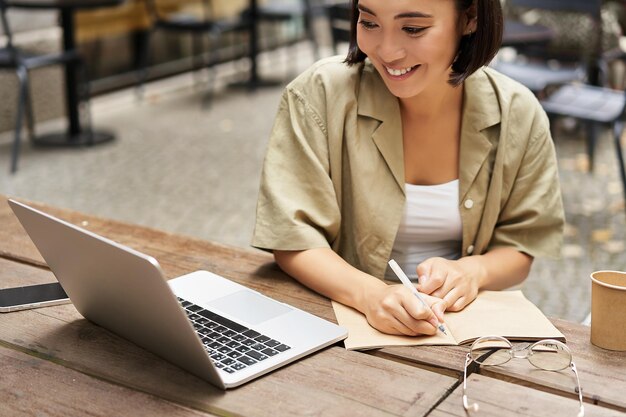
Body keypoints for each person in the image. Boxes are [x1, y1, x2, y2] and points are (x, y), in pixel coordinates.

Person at [252, 0, 564, 337]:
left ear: (470, 17)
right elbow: (293, 238)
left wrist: (473, 271)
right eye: (369, 23)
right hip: (341, 324)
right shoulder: (318, 95)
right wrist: (371, 295)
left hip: (467, 335)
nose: (387, 51)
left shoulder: (518, 114)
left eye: (413, 28)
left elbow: (521, 244)